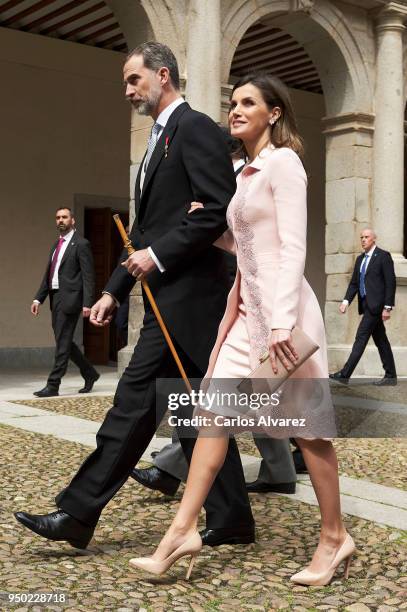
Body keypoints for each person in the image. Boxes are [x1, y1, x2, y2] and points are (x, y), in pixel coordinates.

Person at [14, 42, 254, 550]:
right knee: (189, 414)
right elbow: (143, 229)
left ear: (162, 75)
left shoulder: (196, 130)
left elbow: (216, 210)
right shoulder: (155, 140)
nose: (127, 91)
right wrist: (113, 290)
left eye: (132, 80)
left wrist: (157, 256)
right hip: (167, 299)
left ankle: (77, 514)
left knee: (133, 405)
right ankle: (232, 518)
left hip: (194, 300)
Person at [129, 73, 355, 587]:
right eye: (233, 102)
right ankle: (181, 532)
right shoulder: (243, 174)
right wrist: (210, 228)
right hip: (244, 313)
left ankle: (334, 537)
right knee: (211, 414)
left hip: (283, 316)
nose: (235, 110)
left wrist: (280, 321)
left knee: (308, 431)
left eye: (248, 103)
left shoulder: (285, 164)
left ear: (274, 112)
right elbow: (247, 244)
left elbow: (292, 247)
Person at [131, 128, 298, 497]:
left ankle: (173, 468)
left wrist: (208, 216)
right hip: (235, 291)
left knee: (229, 394)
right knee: (237, 392)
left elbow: (274, 241)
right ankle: (276, 470)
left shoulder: (251, 175)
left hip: (243, 294)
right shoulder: (242, 177)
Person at [31, 207, 99, 397]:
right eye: (58, 217)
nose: (61, 220)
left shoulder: (81, 244)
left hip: (71, 299)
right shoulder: (57, 244)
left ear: (72, 220)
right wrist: (39, 298)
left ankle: (53, 384)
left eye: (64, 217)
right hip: (56, 298)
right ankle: (90, 373)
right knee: (65, 341)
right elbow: (49, 275)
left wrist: (87, 303)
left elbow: (88, 276)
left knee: (62, 342)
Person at [330, 229, 396, 386]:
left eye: (366, 237)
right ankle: (391, 376)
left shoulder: (383, 256)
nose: (363, 240)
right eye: (362, 237)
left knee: (360, 338)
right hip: (366, 305)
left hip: (376, 306)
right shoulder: (360, 259)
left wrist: (387, 307)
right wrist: (346, 301)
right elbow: (354, 283)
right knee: (381, 341)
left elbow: (390, 282)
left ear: (374, 239)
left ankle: (344, 375)